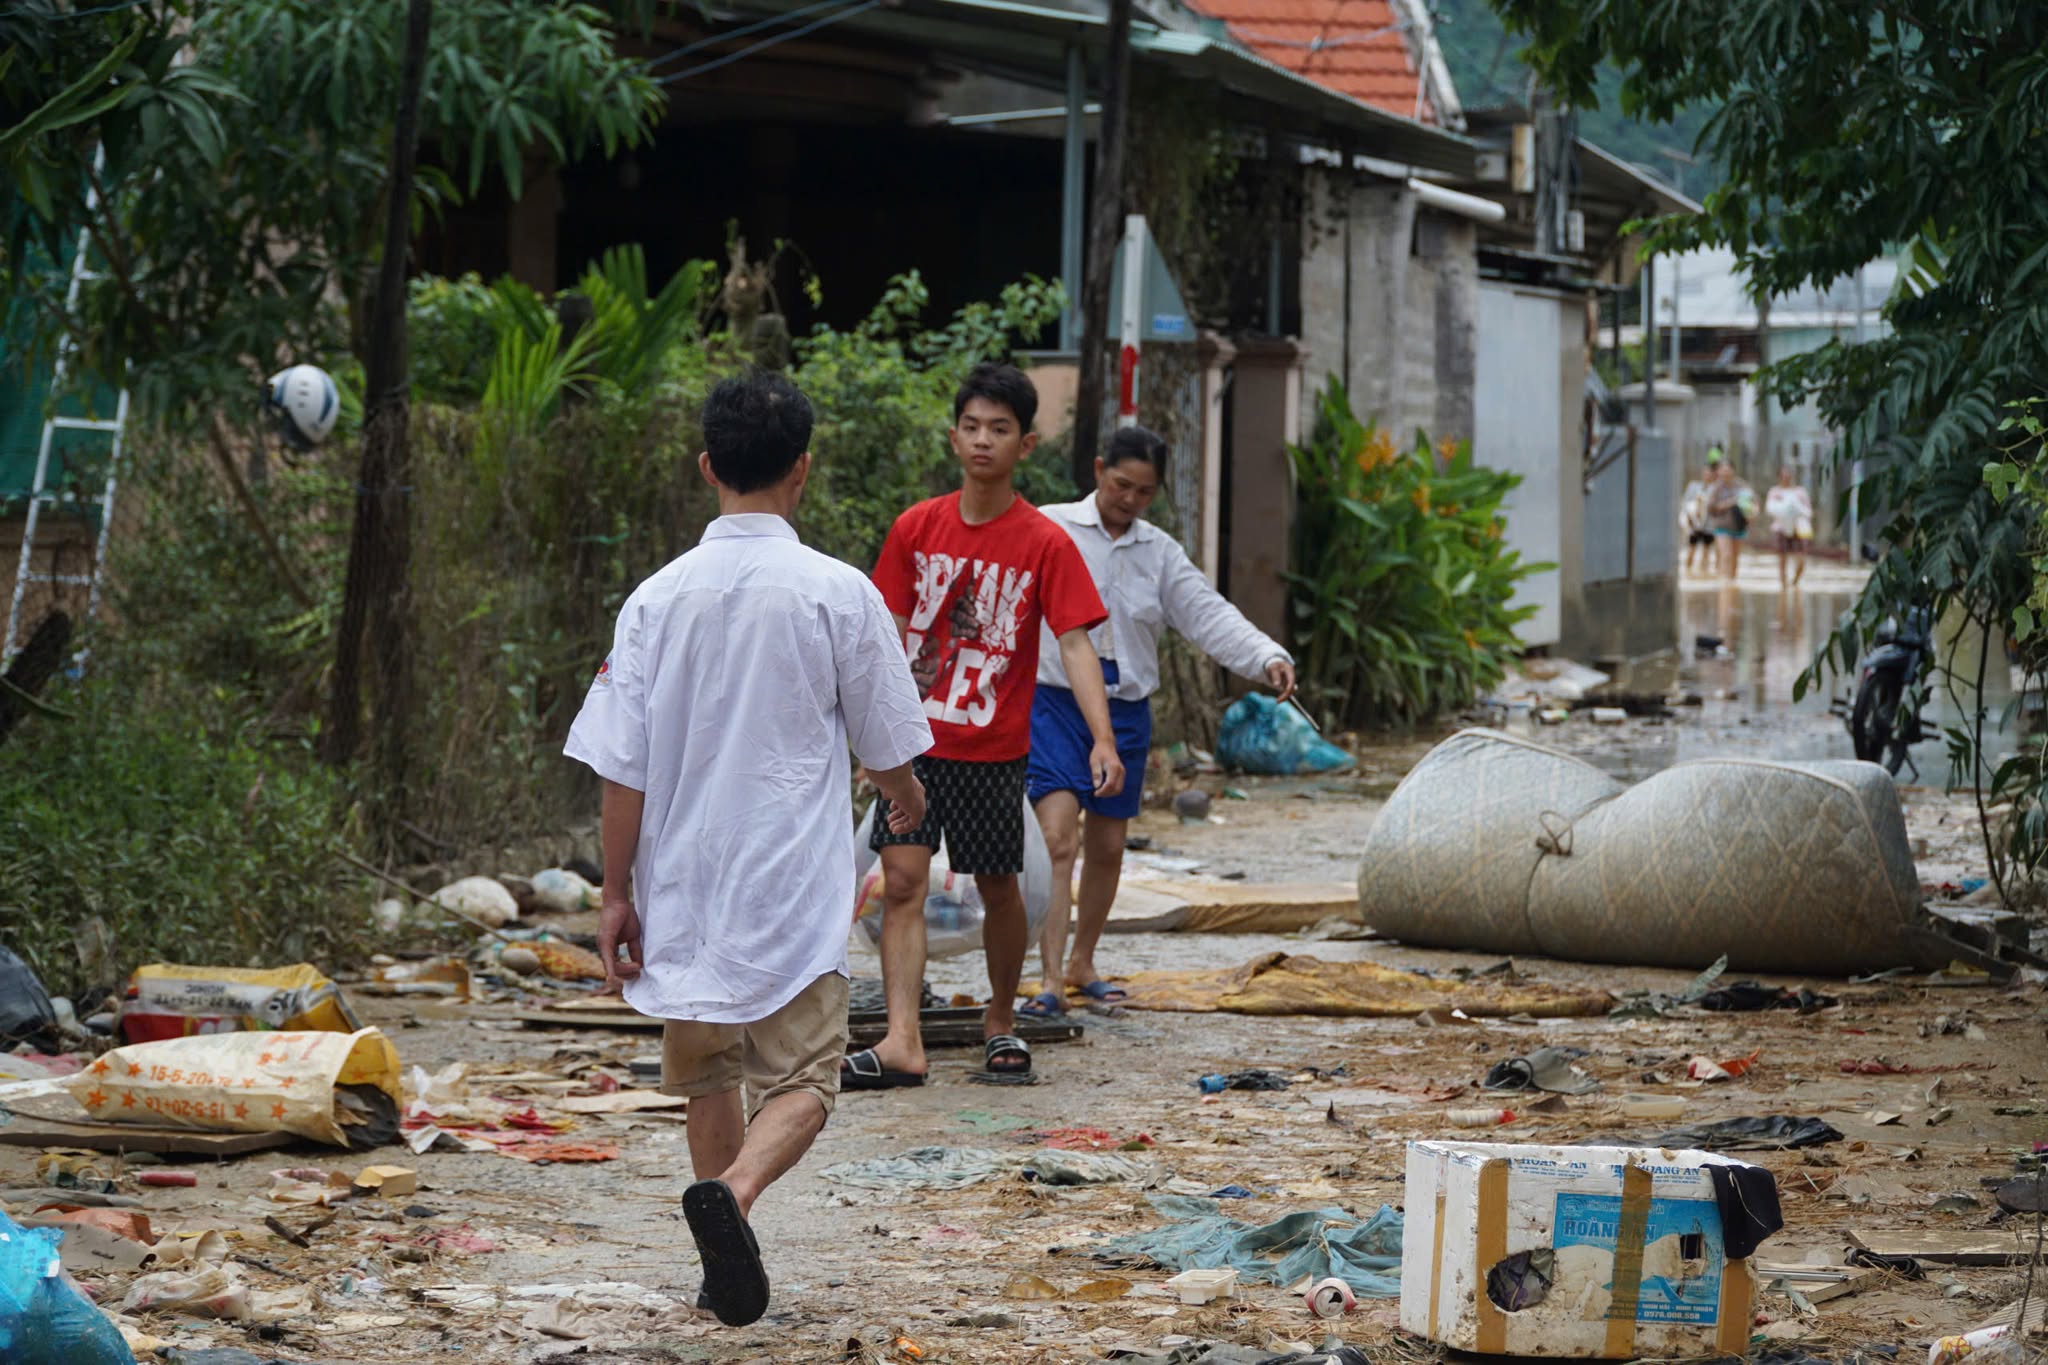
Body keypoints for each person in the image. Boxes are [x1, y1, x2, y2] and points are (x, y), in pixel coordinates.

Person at [564, 372, 933, 1328]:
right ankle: (736, 1195)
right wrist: (905, 799)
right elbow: (888, 745)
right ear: (802, 470)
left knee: (711, 1074)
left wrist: (615, 894)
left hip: (683, 881)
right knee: (806, 1079)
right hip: (791, 885)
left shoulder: (654, 600)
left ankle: (715, 1249)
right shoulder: (838, 592)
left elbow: (620, 764)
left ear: (706, 468)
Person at [848, 362, 1125, 1089]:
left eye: (999, 429)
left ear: (1025, 444)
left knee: (1000, 887)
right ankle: (903, 1037)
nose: (982, 441)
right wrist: (866, 735)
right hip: (916, 746)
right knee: (903, 880)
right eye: (971, 426)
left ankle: (1000, 1019)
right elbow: (887, 633)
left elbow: (1073, 641)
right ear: (953, 435)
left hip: (994, 751)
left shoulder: (1043, 541)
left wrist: (1102, 737)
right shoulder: (917, 527)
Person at [1020, 425, 1296, 1018]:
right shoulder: (1049, 528)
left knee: (1110, 843)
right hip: (1053, 702)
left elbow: (1207, 615)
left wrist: (1266, 657)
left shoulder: (1159, 553)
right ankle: (1046, 977)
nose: (1130, 499)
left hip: (1127, 708)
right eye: (1122, 484)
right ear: (1098, 470)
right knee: (1056, 837)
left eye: (1144, 492)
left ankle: (1082, 961)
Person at [1764, 465, 1813, 589]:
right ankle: (1783, 584)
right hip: (1780, 528)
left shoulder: (1800, 492)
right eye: (1783, 476)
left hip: (1799, 529)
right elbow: (1770, 509)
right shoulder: (1774, 492)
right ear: (1779, 477)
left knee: (1801, 558)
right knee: (1782, 557)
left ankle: (1795, 581)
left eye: (1788, 476)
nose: (1786, 478)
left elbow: (1808, 511)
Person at [1707, 462, 1755, 580]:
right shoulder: (1716, 488)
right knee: (1726, 555)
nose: (1725, 473)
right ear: (1718, 472)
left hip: (1739, 525)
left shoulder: (1741, 486)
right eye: (1722, 470)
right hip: (1721, 525)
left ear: (1733, 471)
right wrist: (1731, 502)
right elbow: (1711, 507)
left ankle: (1732, 580)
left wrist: (1753, 514)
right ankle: (1724, 582)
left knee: (1735, 557)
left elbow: (1753, 502)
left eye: (1727, 470)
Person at [1680, 461, 1718, 575]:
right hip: (1694, 523)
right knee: (1691, 549)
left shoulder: (1716, 488)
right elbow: (1685, 502)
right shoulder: (1693, 486)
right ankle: (1688, 572)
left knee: (1706, 551)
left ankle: (1704, 573)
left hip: (1709, 525)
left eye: (1709, 473)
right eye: (1705, 472)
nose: (1707, 475)